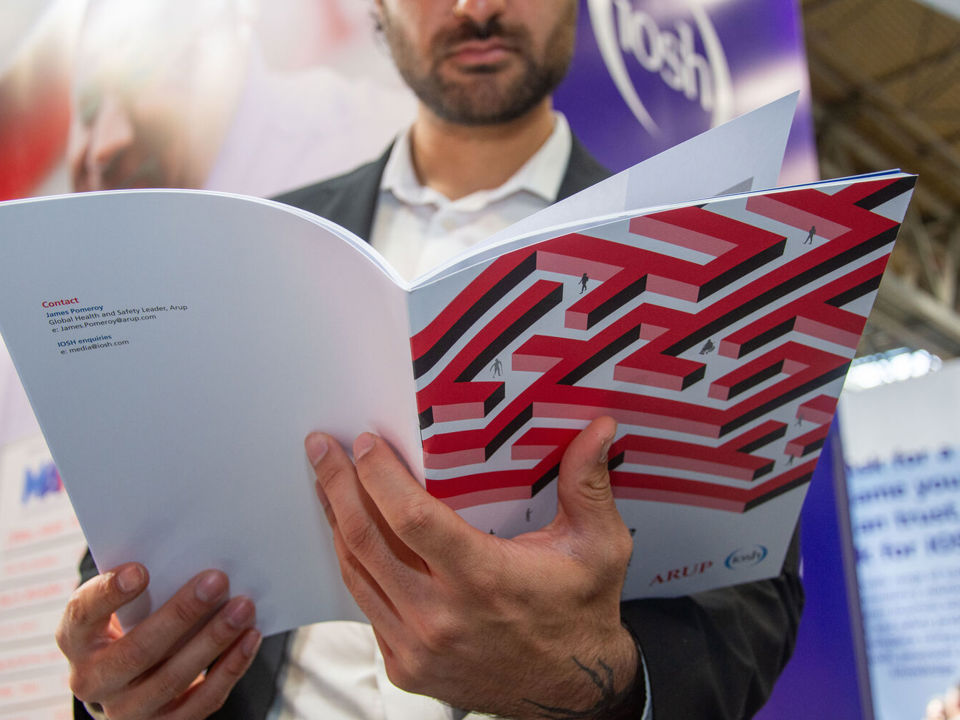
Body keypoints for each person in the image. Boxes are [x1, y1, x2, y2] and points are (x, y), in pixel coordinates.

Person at [57, 1, 804, 718]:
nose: (475, 6)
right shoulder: (237, 247)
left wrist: (601, 684)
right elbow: (138, 547)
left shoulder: (695, 253)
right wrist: (121, 677)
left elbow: (751, 597)